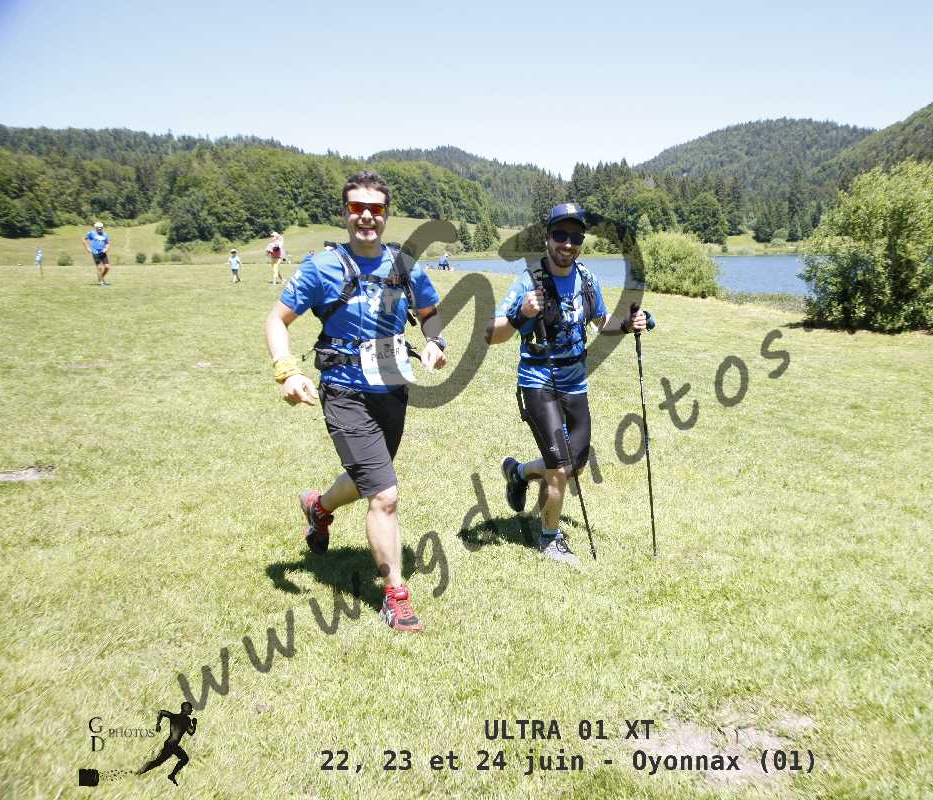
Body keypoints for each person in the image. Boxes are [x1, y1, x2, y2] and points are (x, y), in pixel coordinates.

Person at [264, 170, 448, 632]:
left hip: (392, 387)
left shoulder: (405, 265)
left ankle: (319, 506)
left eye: (375, 208)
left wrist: (435, 341)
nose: (366, 215)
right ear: (345, 212)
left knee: (369, 477)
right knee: (384, 493)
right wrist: (287, 370)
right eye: (357, 207)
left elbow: (429, 312)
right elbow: (276, 320)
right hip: (344, 391)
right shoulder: (322, 267)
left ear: (386, 214)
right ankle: (396, 597)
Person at [485, 202, 652, 565]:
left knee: (575, 465)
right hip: (538, 381)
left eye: (575, 237)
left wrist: (628, 324)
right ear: (547, 237)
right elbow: (491, 335)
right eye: (560, 234)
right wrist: (521, 314)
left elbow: (601, 321)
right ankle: (549, 539)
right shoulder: (529, 282)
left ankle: (518, 472)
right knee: (559, 467)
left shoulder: (587, 280)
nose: (567, 243)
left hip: (575, 382)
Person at [137, 702, 197, 786]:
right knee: (158, 762)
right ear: (186, 709)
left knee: (183, 759)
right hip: (172, 745)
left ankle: (171, 775)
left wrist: (158, 724)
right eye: (190, 709)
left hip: (171, 744)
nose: (191, 710)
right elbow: (191, 732)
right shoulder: (186, 720)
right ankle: (137, 773)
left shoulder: (174, 716)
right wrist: (194, 724)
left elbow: (161, 712)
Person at [82, 221, 111, 286]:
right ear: (95, 227)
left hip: (103, 252)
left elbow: (107, 243)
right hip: (95, 252)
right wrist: (87, 248)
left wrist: (106, 249)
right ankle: (101, 282)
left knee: (107, 267)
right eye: (98, 228)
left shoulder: (105, 234)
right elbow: (84, 239)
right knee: (99, 267)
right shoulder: (91, 233)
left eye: (101, 227)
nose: (100, 229)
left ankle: (101, 277)